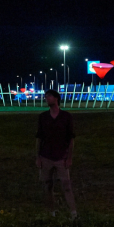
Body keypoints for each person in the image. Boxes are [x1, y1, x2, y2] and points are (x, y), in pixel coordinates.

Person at [35, 89, 77, 218]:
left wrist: (69, 157)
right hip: (46, 156)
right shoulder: (43, 117)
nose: (46, 98)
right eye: (45, 96)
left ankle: (73, 213)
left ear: (56, 98)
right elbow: (39, 138)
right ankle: (52, 211)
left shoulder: (66, 117)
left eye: (49, 96)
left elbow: (71, 139)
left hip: (61, 157)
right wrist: (38, 157)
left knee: (66, 185)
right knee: (47, 185)